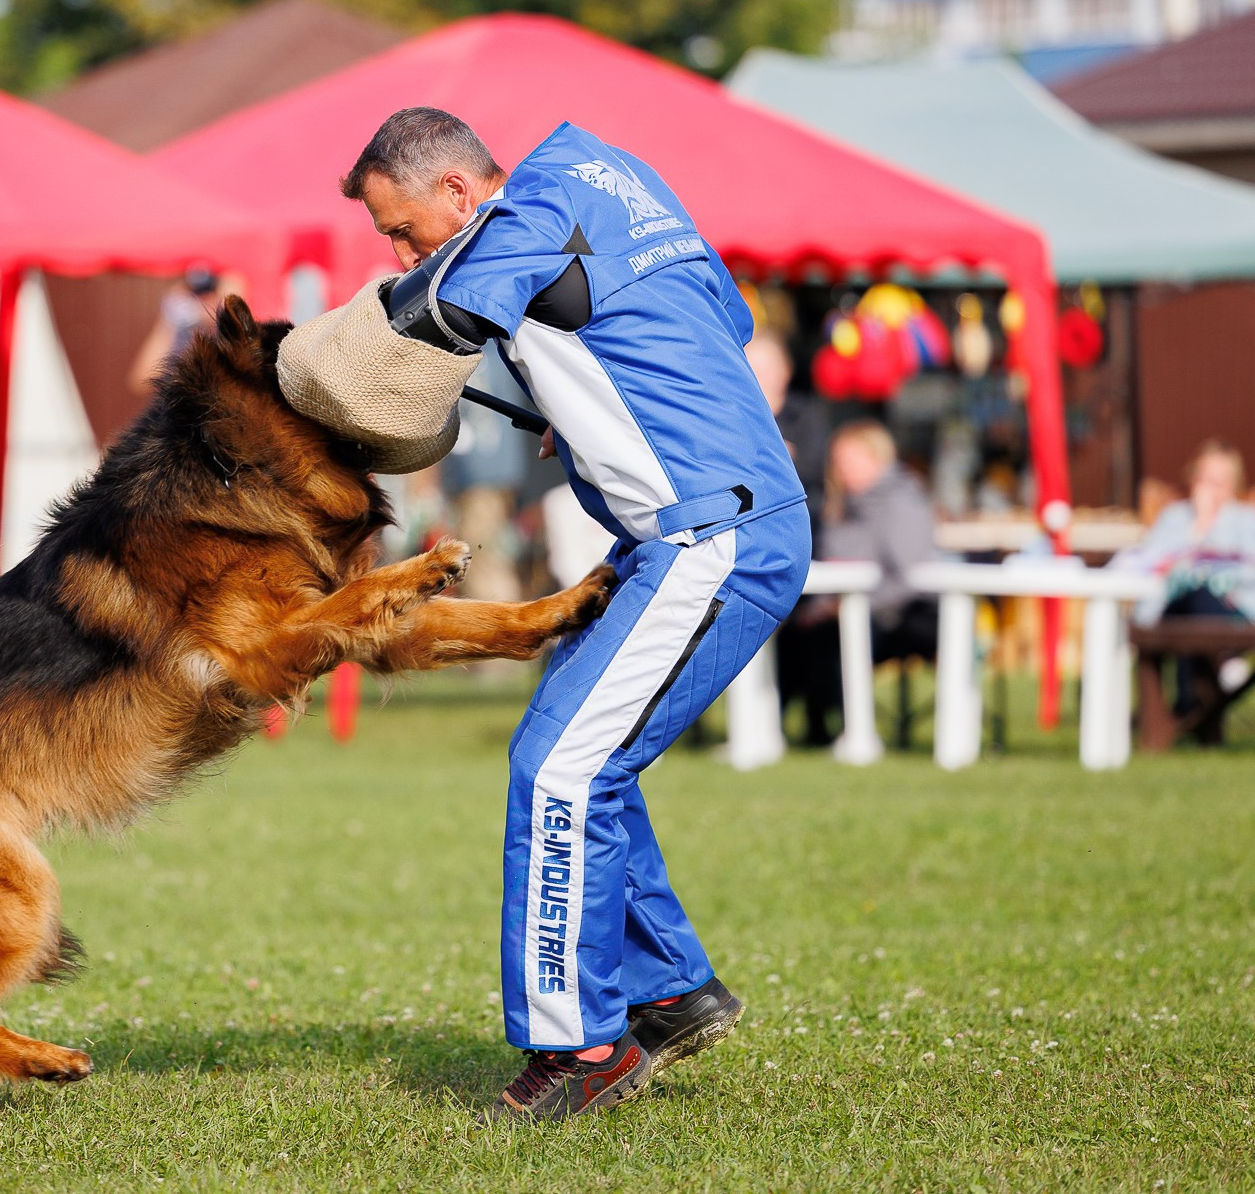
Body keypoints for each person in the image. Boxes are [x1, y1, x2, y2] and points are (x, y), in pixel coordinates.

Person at [278, 108, 810, 1120]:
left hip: (708, 536)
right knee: (574, 747)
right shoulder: (609, 175)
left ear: (457, 193)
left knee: (559, 764)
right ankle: (667, 988)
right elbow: (720, 321)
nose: (398, 249)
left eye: (399, 228)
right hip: (701, 523)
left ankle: (580, 1050)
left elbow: (420, 317)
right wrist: (584, 401)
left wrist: (296, 362)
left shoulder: (510, 218)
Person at [776, 421, 940, 746]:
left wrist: (844, 608)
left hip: (901, 613)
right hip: (844, 608)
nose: (845, 471)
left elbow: (910, 578)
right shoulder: (837, 507)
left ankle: (853, 731)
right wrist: (826, 608)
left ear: (879, 458)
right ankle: (802, 728)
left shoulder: (902, 503)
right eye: (839, 462)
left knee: (833, 639)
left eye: (854, 461)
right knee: (795, 635)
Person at [1119, 440, 1255, 733]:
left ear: (1233, 485)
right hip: (1171, 609)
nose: (1212, 489)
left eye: (1220, 482)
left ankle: (1190, 711)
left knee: (1202, 592)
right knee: (1191, 594)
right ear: (1193, 480)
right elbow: (1150, 562)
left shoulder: (1246, 520)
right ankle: (1220, 670)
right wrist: (1198, 528)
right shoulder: (1174, 518)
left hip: (1232, 609)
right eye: (1206, 480)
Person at [744, 330, 829, 522]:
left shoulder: (806, 415)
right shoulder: (733, 417)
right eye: (752, 367)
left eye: (767, 368)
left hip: (798, 516)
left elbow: (815, 467)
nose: (760, 376)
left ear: (786, 369)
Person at [127, 264, 225, 395]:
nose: (204, 300)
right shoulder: (182, 329)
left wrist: (227, 312)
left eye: (209, 292)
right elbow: (141, 380)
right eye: (197, 294)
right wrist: (170, 319)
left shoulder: (231, 330)